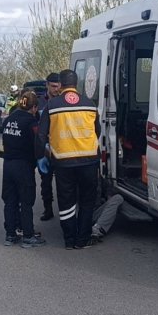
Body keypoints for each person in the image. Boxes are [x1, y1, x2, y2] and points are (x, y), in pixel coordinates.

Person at [37, 69, 100, 249]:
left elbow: (41, 136)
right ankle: (83, 239)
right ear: (76, 84)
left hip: (63, 162)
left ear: (62, 85)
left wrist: (41, 156)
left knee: (66, 201)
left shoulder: (52, 105)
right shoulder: (90, 103)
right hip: (89, 160)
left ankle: (69, 239)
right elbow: (97, 131)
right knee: (87, 201)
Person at [0, 91, 46, 248]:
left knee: (10, 200)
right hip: (23, 166)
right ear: (34, 108)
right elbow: (38, 142)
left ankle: (10, 235)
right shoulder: (31, 122)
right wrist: (41, 158)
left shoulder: (9, 120)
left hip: (8, 164)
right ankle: (28, 235)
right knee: (26, 201)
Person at [36, 72, 62, 221]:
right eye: (53, 86)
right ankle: (48, 209)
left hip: (60, 148)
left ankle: (64, 210)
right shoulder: (39, 102)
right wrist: (40, 151)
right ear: (47, 85)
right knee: (45, 182)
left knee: (62, 182)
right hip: (44, 147)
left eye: (58, 86)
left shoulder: (61, 101)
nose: (56, 89)